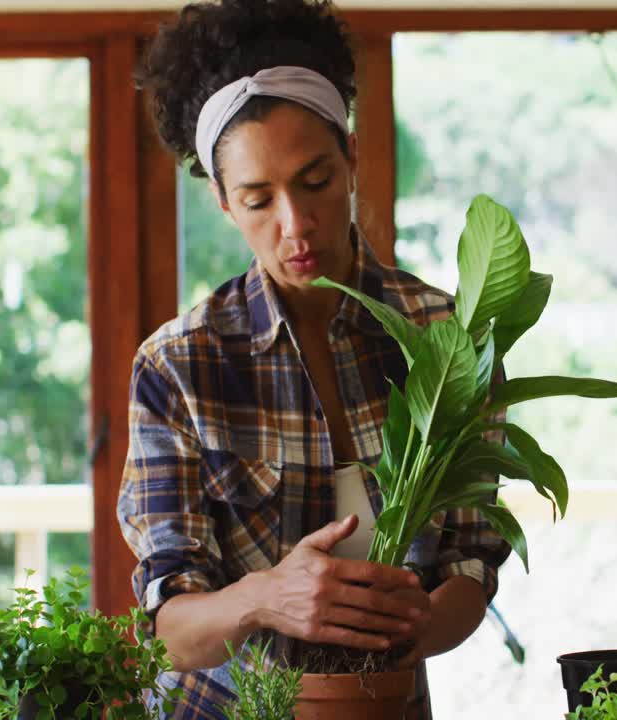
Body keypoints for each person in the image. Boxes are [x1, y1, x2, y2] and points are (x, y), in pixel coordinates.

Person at [117, 1, 511, 717]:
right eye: (258, 198)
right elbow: (167, 627)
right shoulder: (179, 366)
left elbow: (473, 561)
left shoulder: (441, 335)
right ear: (223, 203)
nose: (295, 225)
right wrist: (267, 598)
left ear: (352, 156)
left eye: (316, 180)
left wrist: (420, 624)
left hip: (386, 705)